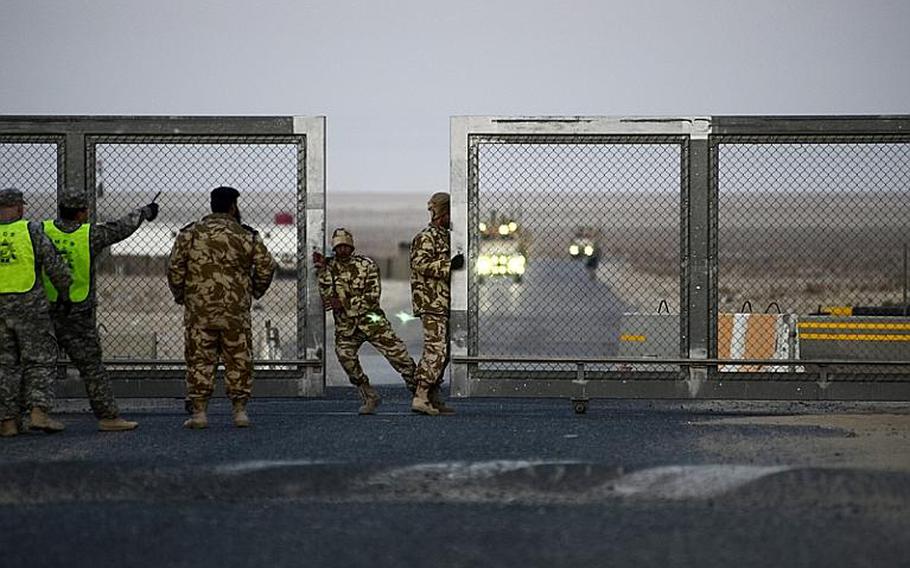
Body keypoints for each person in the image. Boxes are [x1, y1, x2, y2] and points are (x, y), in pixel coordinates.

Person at [41, 189, 159, 432]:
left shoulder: (40, 231)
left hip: (42, 310)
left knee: (37, 364)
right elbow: (120, 228)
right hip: (77, 313)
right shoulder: (89, 234)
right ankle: (108, 416)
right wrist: (144, 212)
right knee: (92, 367)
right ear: (83, 212)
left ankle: (33, 413)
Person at [167, 186, 276, 429]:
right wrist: (253, 291)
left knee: (199, 360)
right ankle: (239, 412)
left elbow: (175, 268)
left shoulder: (191, 233)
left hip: (199, 312)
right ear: (233, 206)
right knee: (238, 359)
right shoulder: (245, 235)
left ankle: (199, 414)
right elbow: (267, 266)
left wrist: (182, 296)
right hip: (235, 312)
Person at [313, 228, 417, 415]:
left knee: (399, 356)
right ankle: (369, 396)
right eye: (339, 246)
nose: (342, 250)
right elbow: (327, 296)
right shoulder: (328, 269)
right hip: (346, 326)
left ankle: (420, 393)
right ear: (334, 248)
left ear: (352, 247)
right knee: (345, 356)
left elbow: (372, 297)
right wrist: (323, 271)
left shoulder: (366, 265)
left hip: (372, 319)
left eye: (346, 246)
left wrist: (343, 302)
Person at [0, 188, 72, 437]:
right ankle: (38, 413)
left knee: (5, 365)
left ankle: (7, 422)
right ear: (19, 207)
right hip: (30, 307)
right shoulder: (31, 231)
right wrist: (65, 294)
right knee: (39, 360)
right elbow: (56, 267)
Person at [408, 192, 464, 416]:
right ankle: (420, 396)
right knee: (436, 349)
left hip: (443, 302)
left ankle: (432, 396)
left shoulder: (446, 236)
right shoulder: (427, 237)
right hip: (431, 301)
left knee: (445, 350)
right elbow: (420, 264)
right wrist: (447, 265)